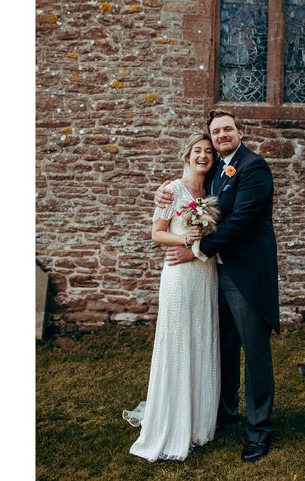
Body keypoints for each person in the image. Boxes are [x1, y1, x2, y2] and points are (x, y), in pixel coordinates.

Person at [155, 109, 279, 462]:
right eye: (216, 131)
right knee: (222, 347)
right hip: (215, 276)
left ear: (241, 131)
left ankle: (258, 431)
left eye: (227, 129)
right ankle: (224, 413)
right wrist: (165, 193)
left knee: (254, 354)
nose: (221, 135)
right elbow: (191, 197)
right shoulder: (216, 173)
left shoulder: (254, 166)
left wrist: (197, 251)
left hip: (245, 275)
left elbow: (240, 221)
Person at [123, 133, 221, 462]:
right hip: (178, 275)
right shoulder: (171, 189)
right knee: (178, 341)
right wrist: (184, 238)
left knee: (201, 339)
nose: (204, 156)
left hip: (205, 273)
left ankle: (198, 423)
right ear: (187, 155)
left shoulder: (215, 190)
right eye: (198, 151)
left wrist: (199, 246)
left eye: (208, 151)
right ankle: (172, 422)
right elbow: (156, 233)